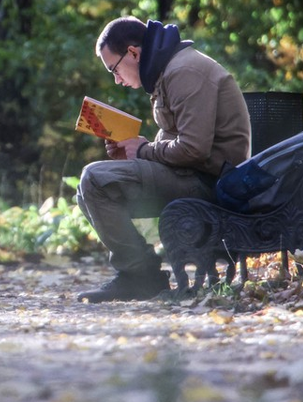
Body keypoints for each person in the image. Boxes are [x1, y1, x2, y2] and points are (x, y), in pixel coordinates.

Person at [76, 16, 251, 302]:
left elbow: (194, 149)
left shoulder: (184, 71)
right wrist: (132, 153)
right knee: (87, 191)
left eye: (114, 69)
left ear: (133, 52)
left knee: (94, 179)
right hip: (193, 175)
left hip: (213, 183)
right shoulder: (167, 70)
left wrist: (142, 151)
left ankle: (141, 276)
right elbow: (177, 143)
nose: (117, 80)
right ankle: (139, 275)